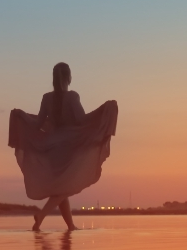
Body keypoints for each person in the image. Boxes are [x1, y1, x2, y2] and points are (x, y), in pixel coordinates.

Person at [9, 62, 118, 231]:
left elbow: (37, 124)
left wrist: (22, 115)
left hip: (51, 147)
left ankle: (70, 225)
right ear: (69, 78)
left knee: (60, 187)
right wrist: (103, 110)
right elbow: (82, 120)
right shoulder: (72, 97)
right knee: (67, 186)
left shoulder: (47, 97)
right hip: (69, 145)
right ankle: (42, 214)